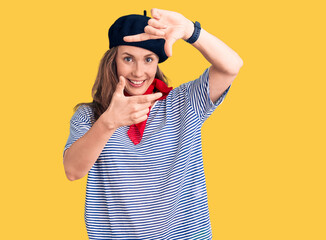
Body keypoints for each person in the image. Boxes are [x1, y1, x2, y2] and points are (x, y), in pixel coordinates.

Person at [63, 8, 243, 239]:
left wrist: (191, 31)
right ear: (113, 61)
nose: (138, 72)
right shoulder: (89, 116)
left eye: (148, 59)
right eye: (128, 59)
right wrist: (108, 122)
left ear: (157, 62)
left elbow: (232, 66)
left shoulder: (184, 103)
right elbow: (72, 171)